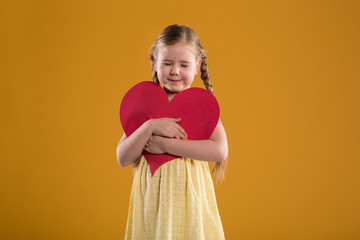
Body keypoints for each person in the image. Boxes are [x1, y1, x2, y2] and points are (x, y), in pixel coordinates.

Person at [116, 24, 229, 239]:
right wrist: (150, 126)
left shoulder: (200, 105)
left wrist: (165, 145)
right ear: (155, 64)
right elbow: (123, 157)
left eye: (184, 64)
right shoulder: (145, 104)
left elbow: (220, 150)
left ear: (197, 66)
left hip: (188, 195)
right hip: (152, 199)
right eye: (167, 63)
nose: (175, 71)